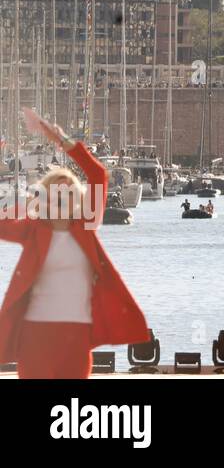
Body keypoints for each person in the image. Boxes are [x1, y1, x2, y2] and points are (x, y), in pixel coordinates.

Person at [0, 109, 150, 379]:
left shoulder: (87, 225)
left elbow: (97, 174)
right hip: (35, 337)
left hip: (77, 337)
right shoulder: (34, 229)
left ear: (77, 199)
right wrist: (26, 206)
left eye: (68, 192)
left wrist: (61, 139)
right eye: (55, 192)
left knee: (72, 415)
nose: (61, 197)